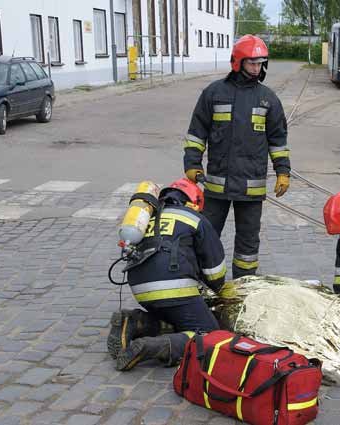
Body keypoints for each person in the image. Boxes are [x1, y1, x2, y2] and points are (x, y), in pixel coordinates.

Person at [183, 34, 290, 279]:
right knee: (205, 238)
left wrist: (283, 171)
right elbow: (196, 134)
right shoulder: (213, 93)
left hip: (250, 189)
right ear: (238, 62)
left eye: (261, 63)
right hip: (216, 187)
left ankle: (243, 288)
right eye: (252, 63)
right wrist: (192, 165)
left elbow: (278, 141)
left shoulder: (268, 99)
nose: (257, 68)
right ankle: (201, 284)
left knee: (248, 246)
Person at [108, 179, 228, 371]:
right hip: (174, 287)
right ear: (194, 203)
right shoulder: (194, 217)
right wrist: (217, 291)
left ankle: (133, 321)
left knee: (176, 320)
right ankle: (152, 347)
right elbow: (215, 269)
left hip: (140, 288)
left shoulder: (148, 218)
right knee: (210, 334)